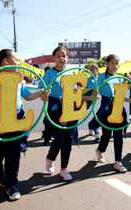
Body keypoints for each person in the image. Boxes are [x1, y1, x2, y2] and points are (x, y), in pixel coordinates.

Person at [0, 49, 49, 200]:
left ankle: (11, 184)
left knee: (14, 153)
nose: (20, 63)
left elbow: (27, 95)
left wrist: (40, 92)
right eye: (17, 60)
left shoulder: (19, 78)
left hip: (16, 119)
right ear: (5, 61)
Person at [40, 47, 97, 181]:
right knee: (59, 139)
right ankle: (50, 157)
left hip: (71, 109)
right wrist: (43, 94)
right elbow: (42, 90)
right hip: (55, 109)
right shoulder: (49, 73)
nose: (61, 58)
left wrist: (91, 96)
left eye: (64, 56)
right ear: (54, 58)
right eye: (58, 56)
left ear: (68, 58)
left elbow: (78, 93)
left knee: (68, 139)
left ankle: (64, 169)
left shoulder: (72, 73)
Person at [91, 54, 131, 173]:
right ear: (106, 63)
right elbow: (96, 92)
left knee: (118, 135)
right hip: (106, 110)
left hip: (117, 110)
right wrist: (95, 93)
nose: (115, 65)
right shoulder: (101, 76)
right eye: (112, 63)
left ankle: (118, 162)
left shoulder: (119, 78)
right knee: (106, 135)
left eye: (116, 63)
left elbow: (119, 96)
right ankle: (100, 151)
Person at [87, 64, 101, 142]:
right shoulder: (88, 80)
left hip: (100, 101)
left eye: (93, 69)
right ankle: (91, 129)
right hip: (91, 100)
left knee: (96, 117)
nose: (91, 71)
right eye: (90, 69)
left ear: (97, 70)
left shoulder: (101, 79)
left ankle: (97, 134)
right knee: (91, 116)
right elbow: (85, 90)